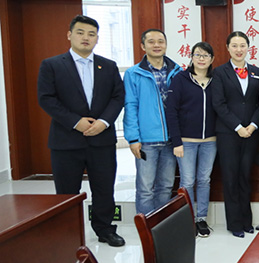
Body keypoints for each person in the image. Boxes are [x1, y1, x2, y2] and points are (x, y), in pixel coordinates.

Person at [38, 15, 126, 246]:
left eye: (91, 34)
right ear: (69, 35)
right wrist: (76, 122)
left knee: (104, 188)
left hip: (101, 139)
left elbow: (118, 97)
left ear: (97, 38)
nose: (86, 37)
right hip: (66, 140)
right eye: (80, 32)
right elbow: (46, 99)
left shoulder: (108, 66)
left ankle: (105, 229)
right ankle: (68, 233)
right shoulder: (52, 65)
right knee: (67, 191)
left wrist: (104, 122)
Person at [211, 31, 259, 238]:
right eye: (234, 45)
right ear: (228, 48)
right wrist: (237, 126)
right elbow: (219, 104)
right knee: (230, 177)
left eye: (242, 45)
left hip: (251, 133)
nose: (239, 49)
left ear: (248, 47)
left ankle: (247, 221)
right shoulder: (219, 72)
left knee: (245, 176)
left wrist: (253, 125)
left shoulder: (256, 72)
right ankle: (234, 224)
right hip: (228, 134)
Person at [124, 28, 181, 215]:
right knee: (145, 188)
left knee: (166, 186)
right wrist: (133, 138)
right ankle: (146, 225)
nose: (157, 45)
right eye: (151, 41)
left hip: (171, 140)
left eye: (160, 41)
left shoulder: (177, 71)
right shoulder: (134, 73)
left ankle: (161, 224)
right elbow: (130, 105)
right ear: (143, 46)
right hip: (146, 141)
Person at [165, 41, 216, 237]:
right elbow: (171, 111)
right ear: (191, 57)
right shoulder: (180, 79)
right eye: (197, 55)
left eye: (205, 55)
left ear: (211, 59)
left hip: (210, 141)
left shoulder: (216, 80)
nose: (201, 59)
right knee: (187, 181)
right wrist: (176, 141)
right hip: (185, 142)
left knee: (204, 180)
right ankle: (187, 220)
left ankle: (201, 219)